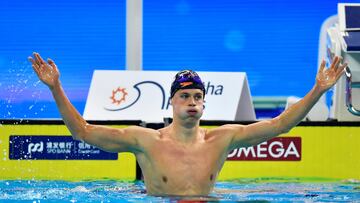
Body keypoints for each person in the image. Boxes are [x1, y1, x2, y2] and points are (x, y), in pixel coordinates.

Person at [28, 52, 346, 196]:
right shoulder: (146, 141)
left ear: (204, 103)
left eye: (197, 96)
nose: (192, 102)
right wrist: (56, 87)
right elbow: (82, 131)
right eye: (184, 96)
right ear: (171, 102)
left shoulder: (221, 139)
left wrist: (318, 89)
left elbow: (279, 125)